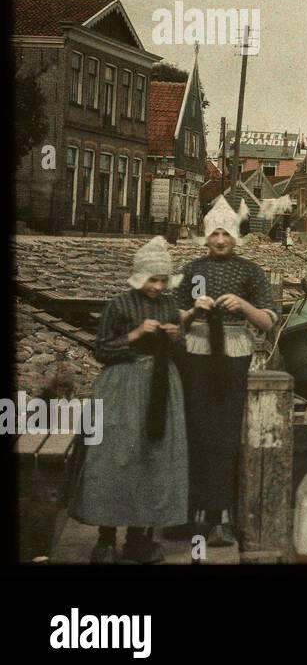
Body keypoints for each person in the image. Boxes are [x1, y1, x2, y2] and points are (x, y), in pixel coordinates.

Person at [67, 237, 190, 564]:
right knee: (114, 457)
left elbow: (182, 350)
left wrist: (177, 339)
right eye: (152, 279)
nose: (158, 286)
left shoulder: (168, 305)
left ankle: (140, 539)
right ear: (138, 277)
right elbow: (101, 351)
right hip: (122, 385)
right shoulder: (119, 305)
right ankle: (106, 538)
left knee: (154, 459)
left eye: (163, 280)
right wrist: (135, 335)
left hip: (161, 387)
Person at [174, 198, 277, 547]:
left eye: (226, 234)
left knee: (226, 431)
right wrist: (191, 311)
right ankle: (190, 515)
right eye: (214, 233)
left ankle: (221, 518)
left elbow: (268, 321)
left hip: (234, 355)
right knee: (193, 429)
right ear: (205, 237)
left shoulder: (251, 272)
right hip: (196, 355)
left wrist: (243, 305)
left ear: (236, 238)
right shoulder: (191, 270)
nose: (220, 240)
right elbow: (171, 321)